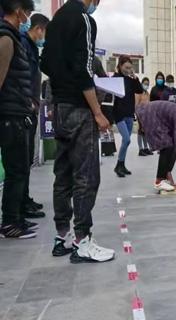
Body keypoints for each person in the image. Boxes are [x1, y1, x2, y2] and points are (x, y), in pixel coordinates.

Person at [40, 0, 115, 262]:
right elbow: (84, 69)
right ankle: (83, 240)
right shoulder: (83, 20)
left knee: (63, 174)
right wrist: (97, 112)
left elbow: (46, 64)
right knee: (86, 175)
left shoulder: (58, 18)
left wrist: (58, 91)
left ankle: (62, 236)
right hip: (79, 108)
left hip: (59, 107)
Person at [0, 0, 38, 239]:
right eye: (28, 12)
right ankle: (10, 223)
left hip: (17, 113)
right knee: (16, 170)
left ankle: (16, 218)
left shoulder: (15, 38)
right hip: (9, 116)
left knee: (20, 169)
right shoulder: (6, 39)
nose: (28, 18)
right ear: (18, 10)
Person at [20, 12, 49, 221]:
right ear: (39, 29)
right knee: (20, 162)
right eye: (45, 33)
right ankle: (17, 209)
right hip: (22, 108)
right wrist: (27, 101)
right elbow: (20, 77)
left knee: (27, 158)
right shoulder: (21, 44)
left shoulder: (30, 47)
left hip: (30, 107)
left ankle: (24, 198)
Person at [135, 101, 176, 191]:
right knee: (167, 146)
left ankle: (163, 178)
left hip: (150, 112)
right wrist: (169, 169)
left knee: (168, 146)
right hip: (151, 115)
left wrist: (169, 174)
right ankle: (159, 181)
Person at [112, 55, 144, 177]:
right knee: (126, 139)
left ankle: (122, 165)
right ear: (120, 66)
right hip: (119, 114)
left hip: (129, 114)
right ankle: (118, 165)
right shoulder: (115, 78)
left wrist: (135, 78)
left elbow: (140, 90)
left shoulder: (131, 79)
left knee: (126, 142)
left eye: (130, 67)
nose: (128, 69)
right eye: (126, 67)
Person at [136, 77, 153, 156]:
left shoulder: (147, 93)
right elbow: (136, 104)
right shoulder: (138, 93)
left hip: (146, 115)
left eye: (147, 84)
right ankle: (140, 149)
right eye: (145, 83)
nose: (146, 85)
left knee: (145, 132)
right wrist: (137, 114)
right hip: (140, 114)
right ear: (141, 83)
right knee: (140, 131)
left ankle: (146, 148)